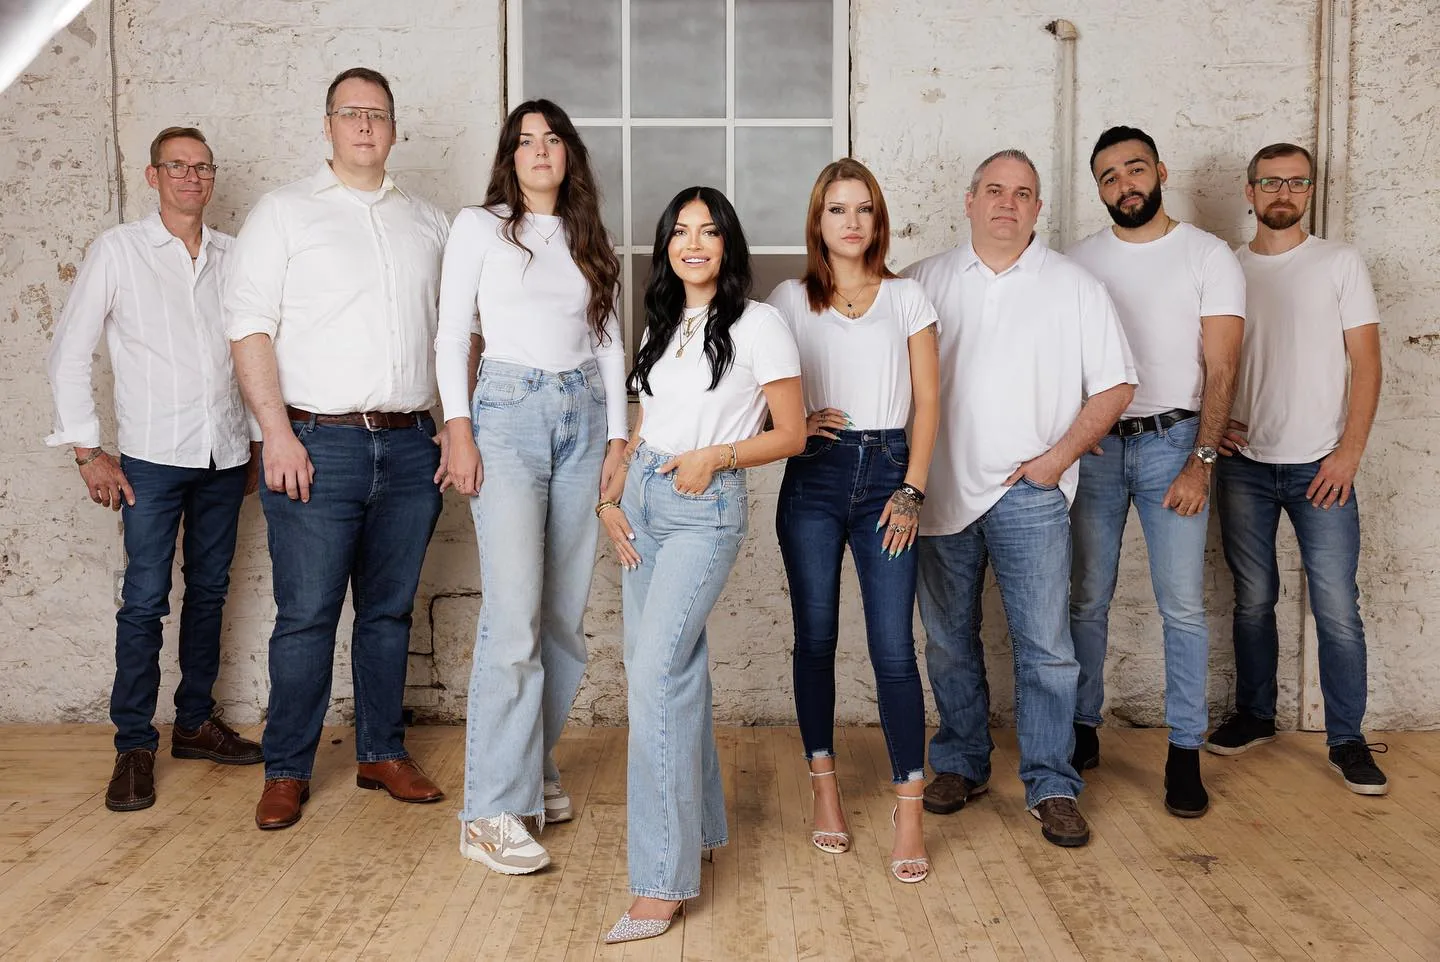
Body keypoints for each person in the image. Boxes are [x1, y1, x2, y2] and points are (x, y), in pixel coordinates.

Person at [225, 67, 451, 830]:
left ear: (394, 129)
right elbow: (248, 325)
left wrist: (456, 424)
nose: (364, 126)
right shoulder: (283, 213)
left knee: (388, 613)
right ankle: (286, 767)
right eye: (350, 113)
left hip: (412, 444)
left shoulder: (427, 221)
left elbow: (458, 335)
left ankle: (381, 751)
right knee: (307, 616)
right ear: (327, 126)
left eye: (378, 114)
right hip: (318, 444)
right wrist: (276, 434)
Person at [905, 149, 1135, 848]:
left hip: (1029, 496)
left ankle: (1052, 783)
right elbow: (887, 377)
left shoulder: (1074, 285)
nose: (1008, 203)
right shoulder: (923, 281)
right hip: (940, 492)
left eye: (1024, 194)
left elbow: (1118, 384)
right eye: (995, 190)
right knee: (947, 643)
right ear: (969, 200)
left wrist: (1056, 461)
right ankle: (962, 763)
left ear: (1039, 209)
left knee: (1047, 650)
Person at [596, 187, 806, 942]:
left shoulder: (759, 324)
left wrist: (717, 455)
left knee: (654, 676)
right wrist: (611, 492)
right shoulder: (661, 322)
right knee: (670, 672)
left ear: (727, 245)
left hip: (704, 505)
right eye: (680, 231)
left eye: (708, 231)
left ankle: (660, 880)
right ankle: (704, 828)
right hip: (645, 498)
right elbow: (644, 417)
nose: (694, 243)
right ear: (667, 246)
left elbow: (791, 435)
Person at [46, 125, 262, 812]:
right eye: (177, 165)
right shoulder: (119, 251)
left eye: (202, 166)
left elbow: (255, 347)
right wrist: (87, 449)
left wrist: (257, 439)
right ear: (153, 175)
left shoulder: (235, 256)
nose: (191, 177)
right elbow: (69, 352)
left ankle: (195, 723)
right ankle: (133, 744)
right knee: (143, 601)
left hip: (224, 454)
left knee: (209, 593)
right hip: (150, 459)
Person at [438, 99, 627, 874]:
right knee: (512, 621)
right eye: (525, 141)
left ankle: (533, 770)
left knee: (561, 621)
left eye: (552, 140)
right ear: (510, 158)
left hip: (583, 414)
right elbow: (453, 332)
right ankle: (489, 812)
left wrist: (619, 434)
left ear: (568, 154)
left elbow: (608, 338)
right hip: (508, 413)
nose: (540, 151)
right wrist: (458, 427)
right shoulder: (479, 226)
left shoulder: (588, 237)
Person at [766, 158, 940, 882]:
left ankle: (908, 809)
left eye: (863, 209)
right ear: (818, 220)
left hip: (887, 478)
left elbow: (929, 402)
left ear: (879, 219)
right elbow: (759, 389)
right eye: (838, 209)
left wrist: (913, 490)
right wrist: (797, 423)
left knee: (894, 648)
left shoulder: (908, 297)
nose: (851, 222)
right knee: (816, 637)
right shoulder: (784, 299)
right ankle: (825, 790)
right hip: (815, 474)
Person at [1065, 126, 1245, 817]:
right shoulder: (1079, 261)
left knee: (1182, 608)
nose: (1124, 185)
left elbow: (1223, 366)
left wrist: (1201, 461)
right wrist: (1076, 435)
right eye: (1109, 177)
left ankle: (1184, 751)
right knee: (1087, 598)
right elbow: (1062, 362)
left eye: (1134, 169)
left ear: (1160, 171)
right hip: (1101, 446)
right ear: (1100, 189)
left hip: (1176, 443)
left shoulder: (1207, 254)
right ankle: (1083, 729)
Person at [1205, 143, 1387, 795]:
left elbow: (1366, 365)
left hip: (1323, 468)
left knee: (1337, 607)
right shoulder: (1225, 267)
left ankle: (1346, 738)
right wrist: (1212, 422)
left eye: (1297, 182)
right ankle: (1256, 715)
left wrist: (1349, 454)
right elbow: (1205, 357)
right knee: (1252, 601)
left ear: (1309, 191)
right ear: (1248, 191)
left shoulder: (1339, 263)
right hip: (1245, 467)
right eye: (1271, 182)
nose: (1284, 192)